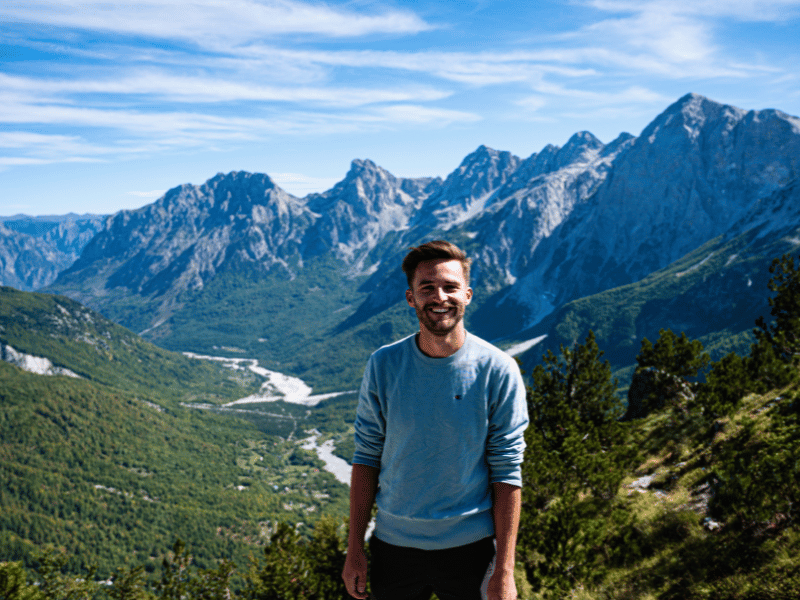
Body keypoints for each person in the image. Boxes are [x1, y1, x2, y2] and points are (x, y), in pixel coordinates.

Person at [341, 240, 529, 600]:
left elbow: (507, 472)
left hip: (472, 550)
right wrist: (355, 551)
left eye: (450, 287)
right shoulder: (383, 365)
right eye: (427, 288)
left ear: (468, 295)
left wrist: (504, 571)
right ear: (411, 298)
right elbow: (366, 458)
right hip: (393, 547)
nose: (439, 297)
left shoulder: (498, 370)